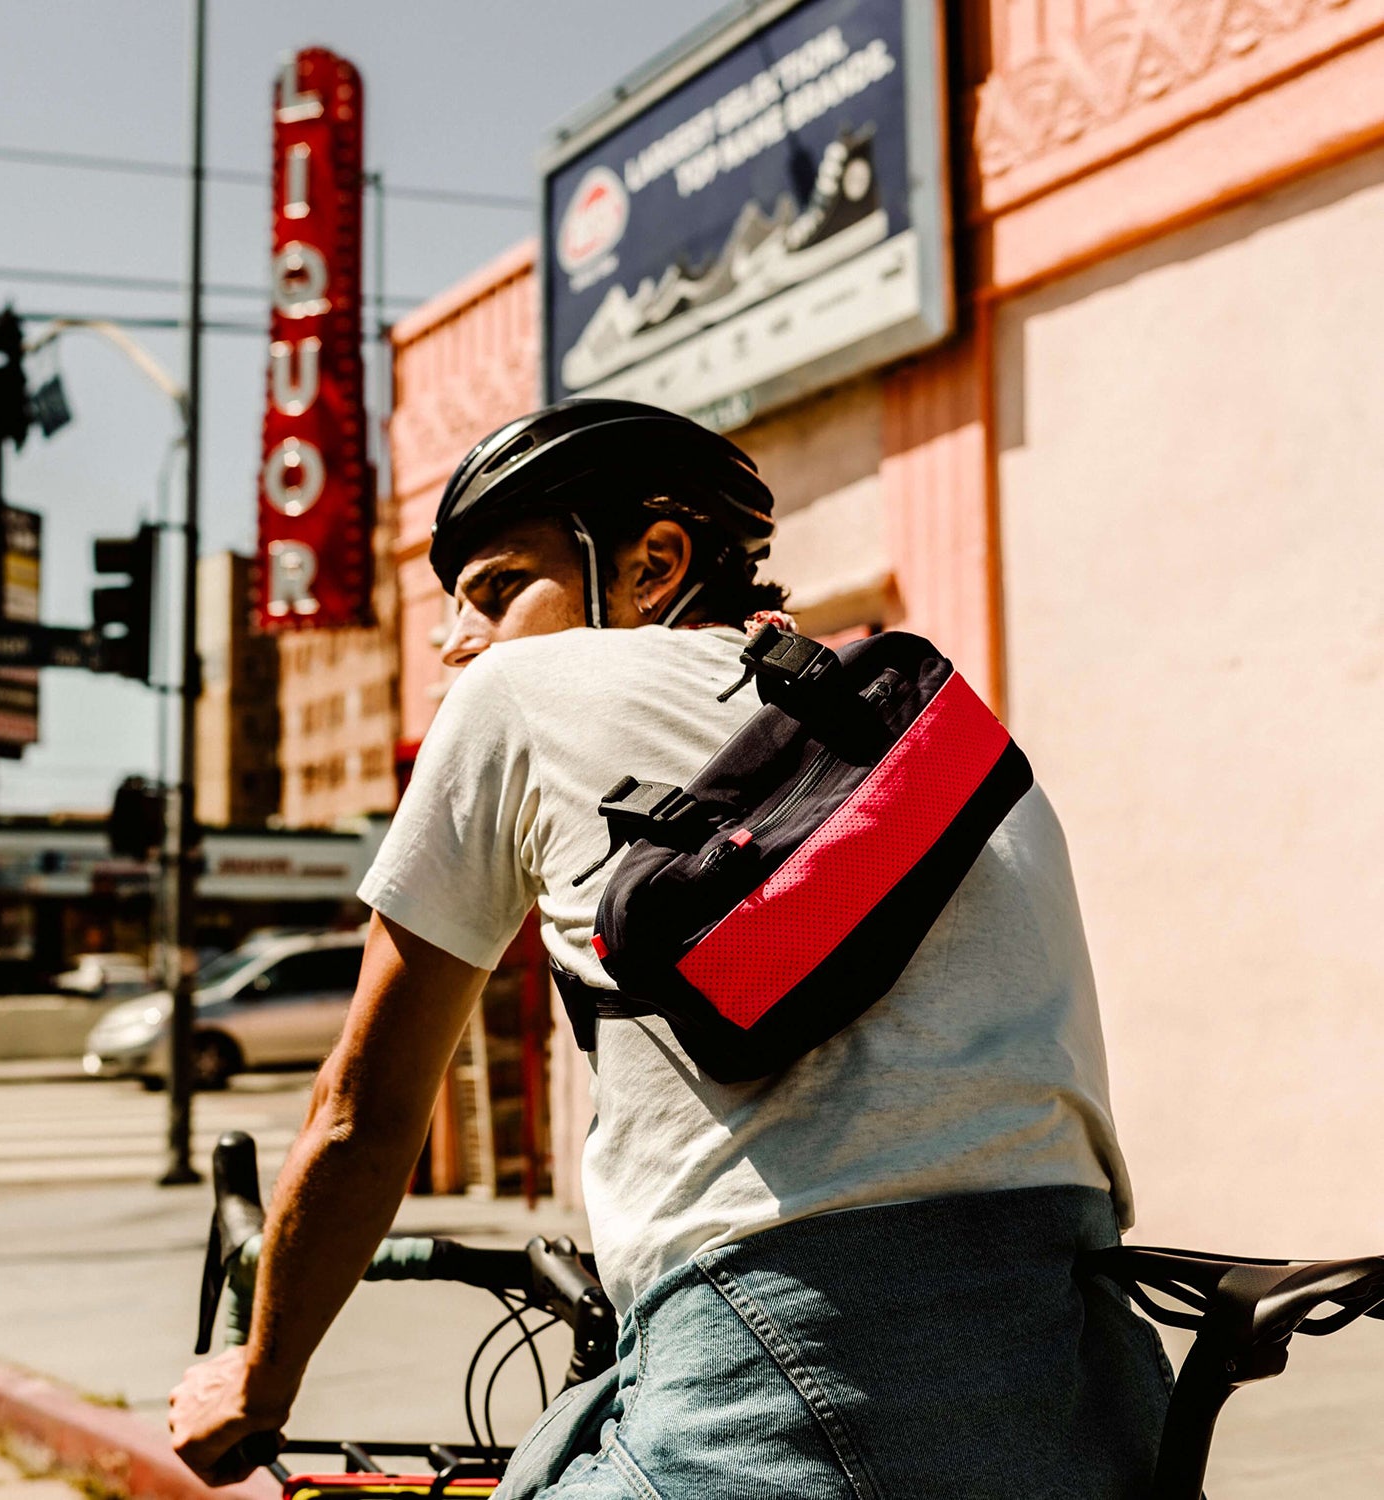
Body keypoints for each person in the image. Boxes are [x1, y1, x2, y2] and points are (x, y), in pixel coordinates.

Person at [170, 399, 1171, 1497]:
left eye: (497, 589)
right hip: (1101, 1370)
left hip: (794, 1364)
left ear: (655, 562)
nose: (458, 641)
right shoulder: (942, 733)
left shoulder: (520, 694)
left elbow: (364, 1113)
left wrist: (258, 1382)